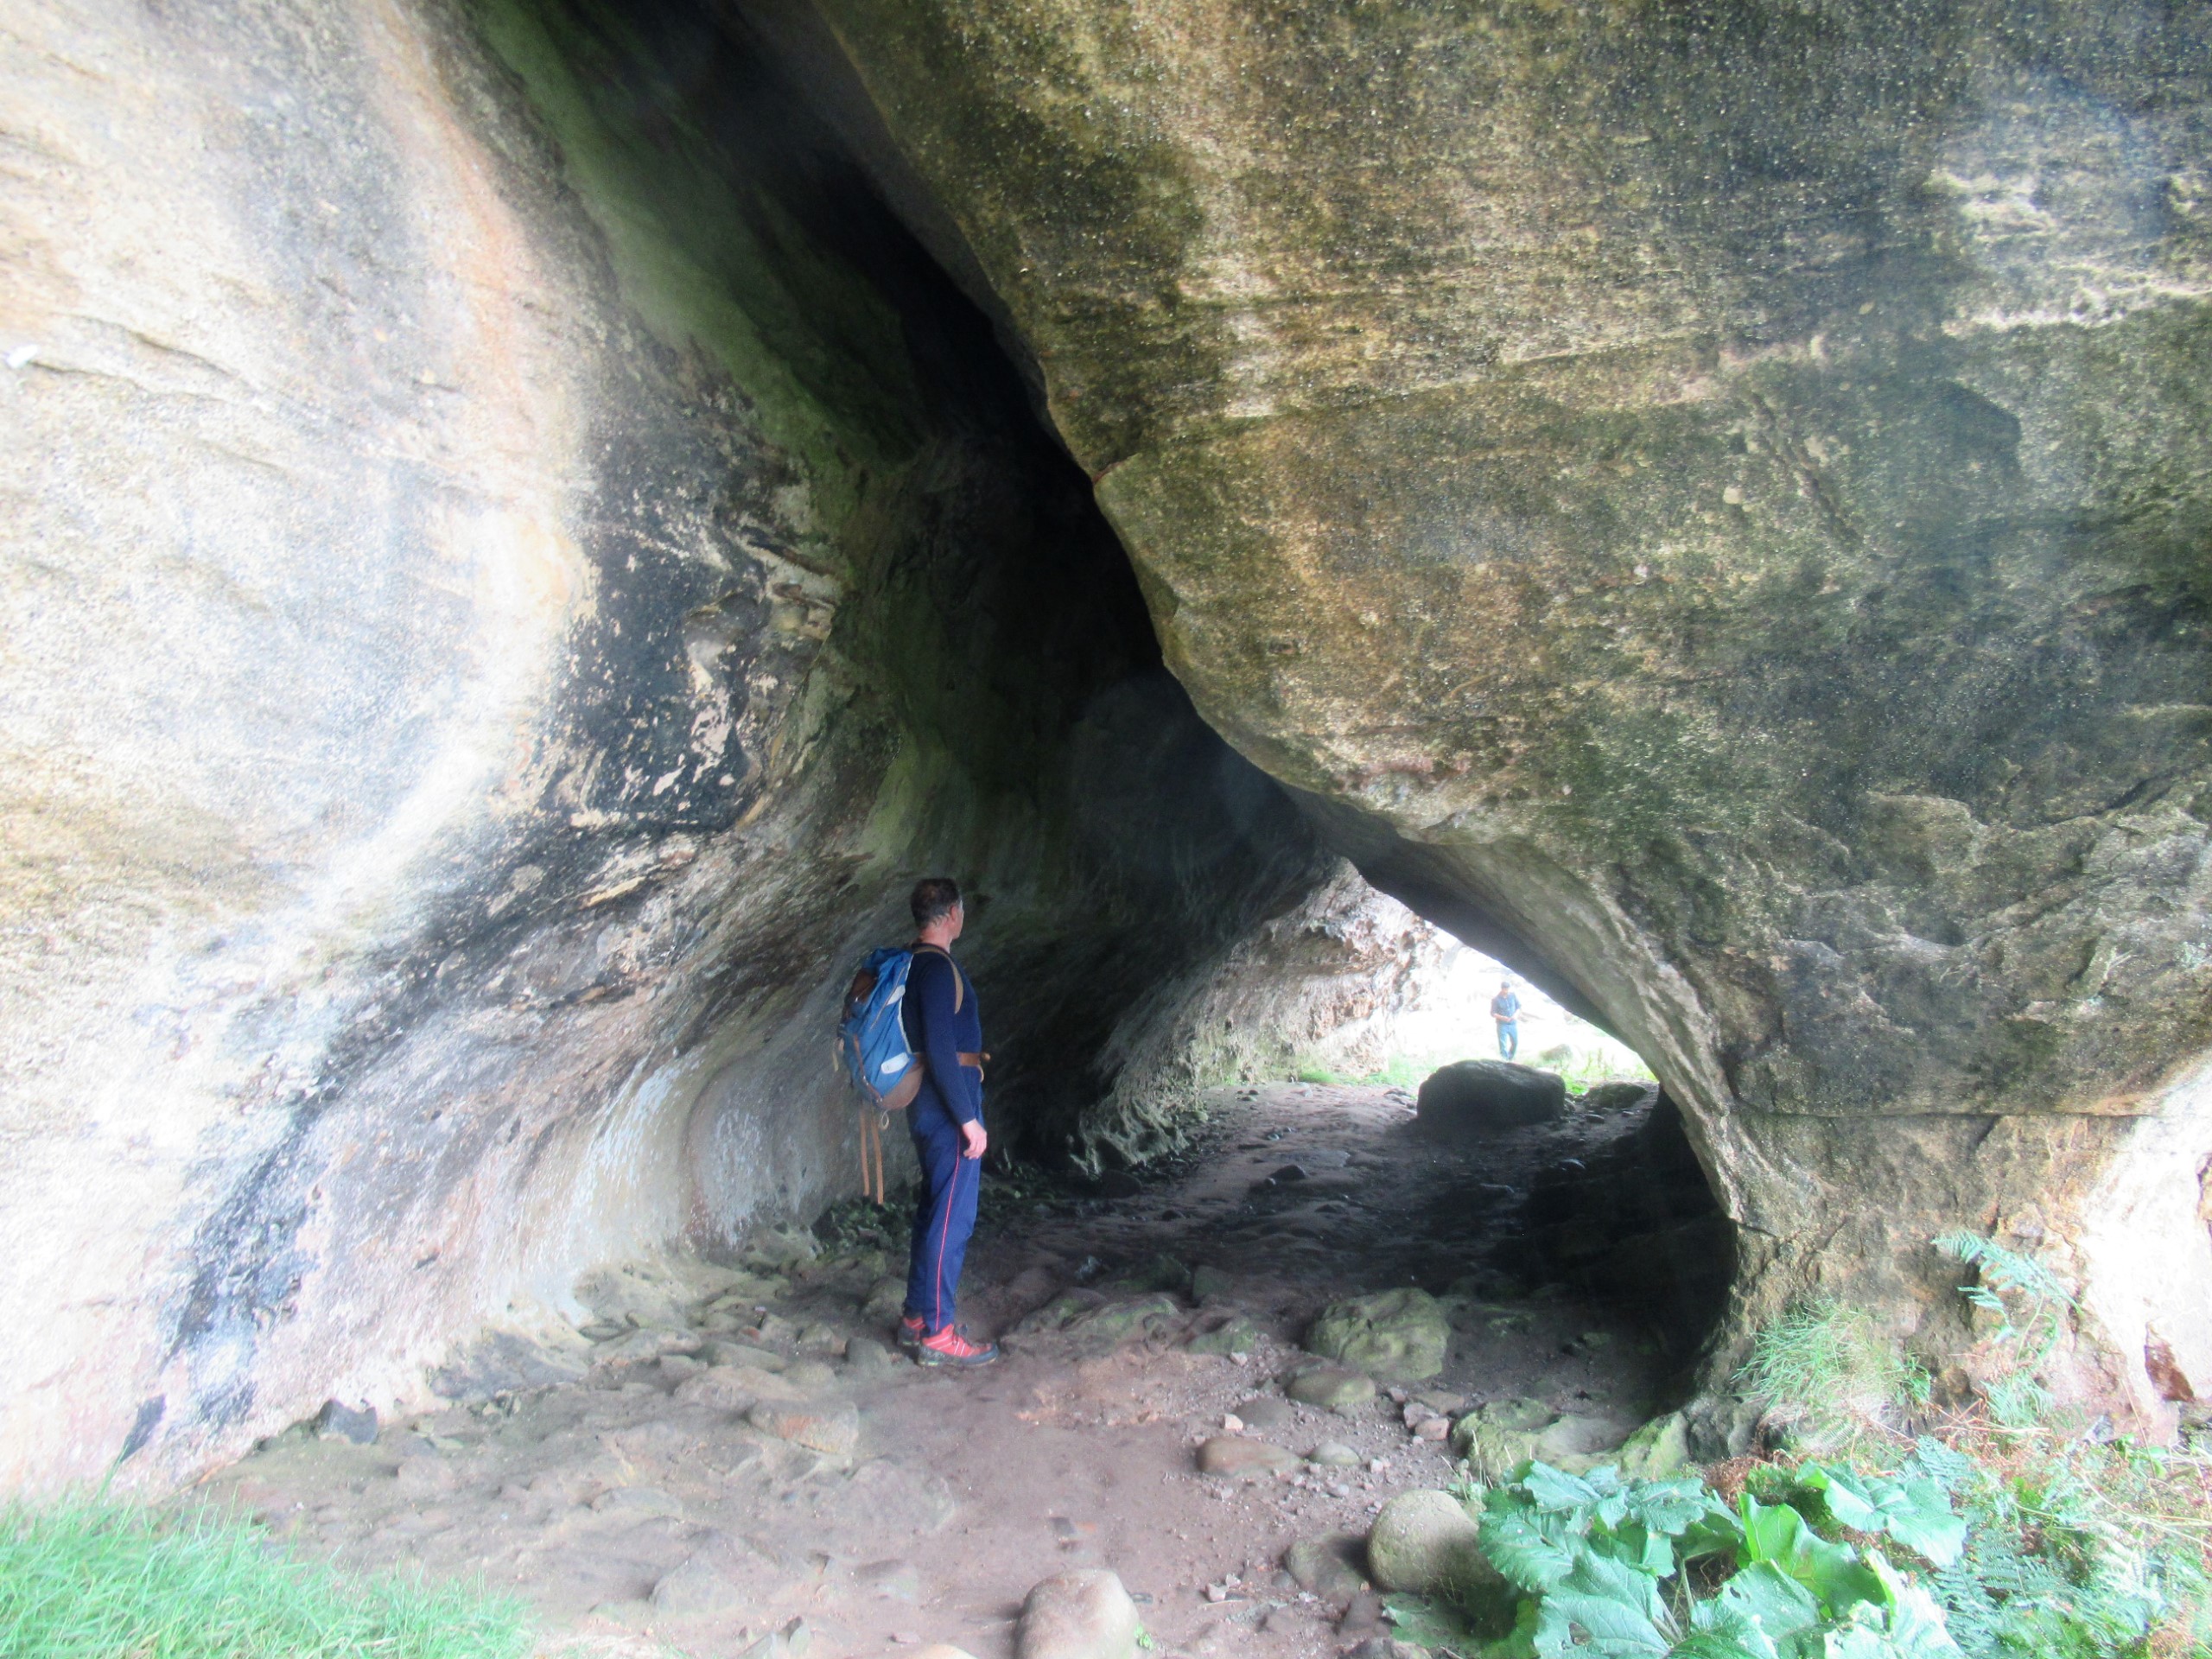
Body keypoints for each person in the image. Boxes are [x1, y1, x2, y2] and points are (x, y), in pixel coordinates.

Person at [895, 877, 999, 1368]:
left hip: (929, 1105)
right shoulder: (935, 969)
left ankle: (918, 1314)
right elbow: (940, 1047)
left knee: (935, 1208)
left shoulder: (913, 963)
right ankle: (938, 1331)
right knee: (953, 1217)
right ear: (953, 914)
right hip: (946, 1108)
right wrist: (968, 1119)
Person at [1491, 978, 1522, 1062]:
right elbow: (1493, 1013)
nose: (1507, 990)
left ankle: (1510, 1058)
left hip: (1512, 1023)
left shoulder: (1513, 995)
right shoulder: (1496, 999)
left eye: (1508, 989)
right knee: (1503, 1045)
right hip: (1502, 1024)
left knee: (1515, 1042)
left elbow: (1518, 1006)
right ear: (1502, 989)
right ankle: (1505, 1061)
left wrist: (1515, 1015)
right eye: (1505, 989)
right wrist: (1502, 1017)